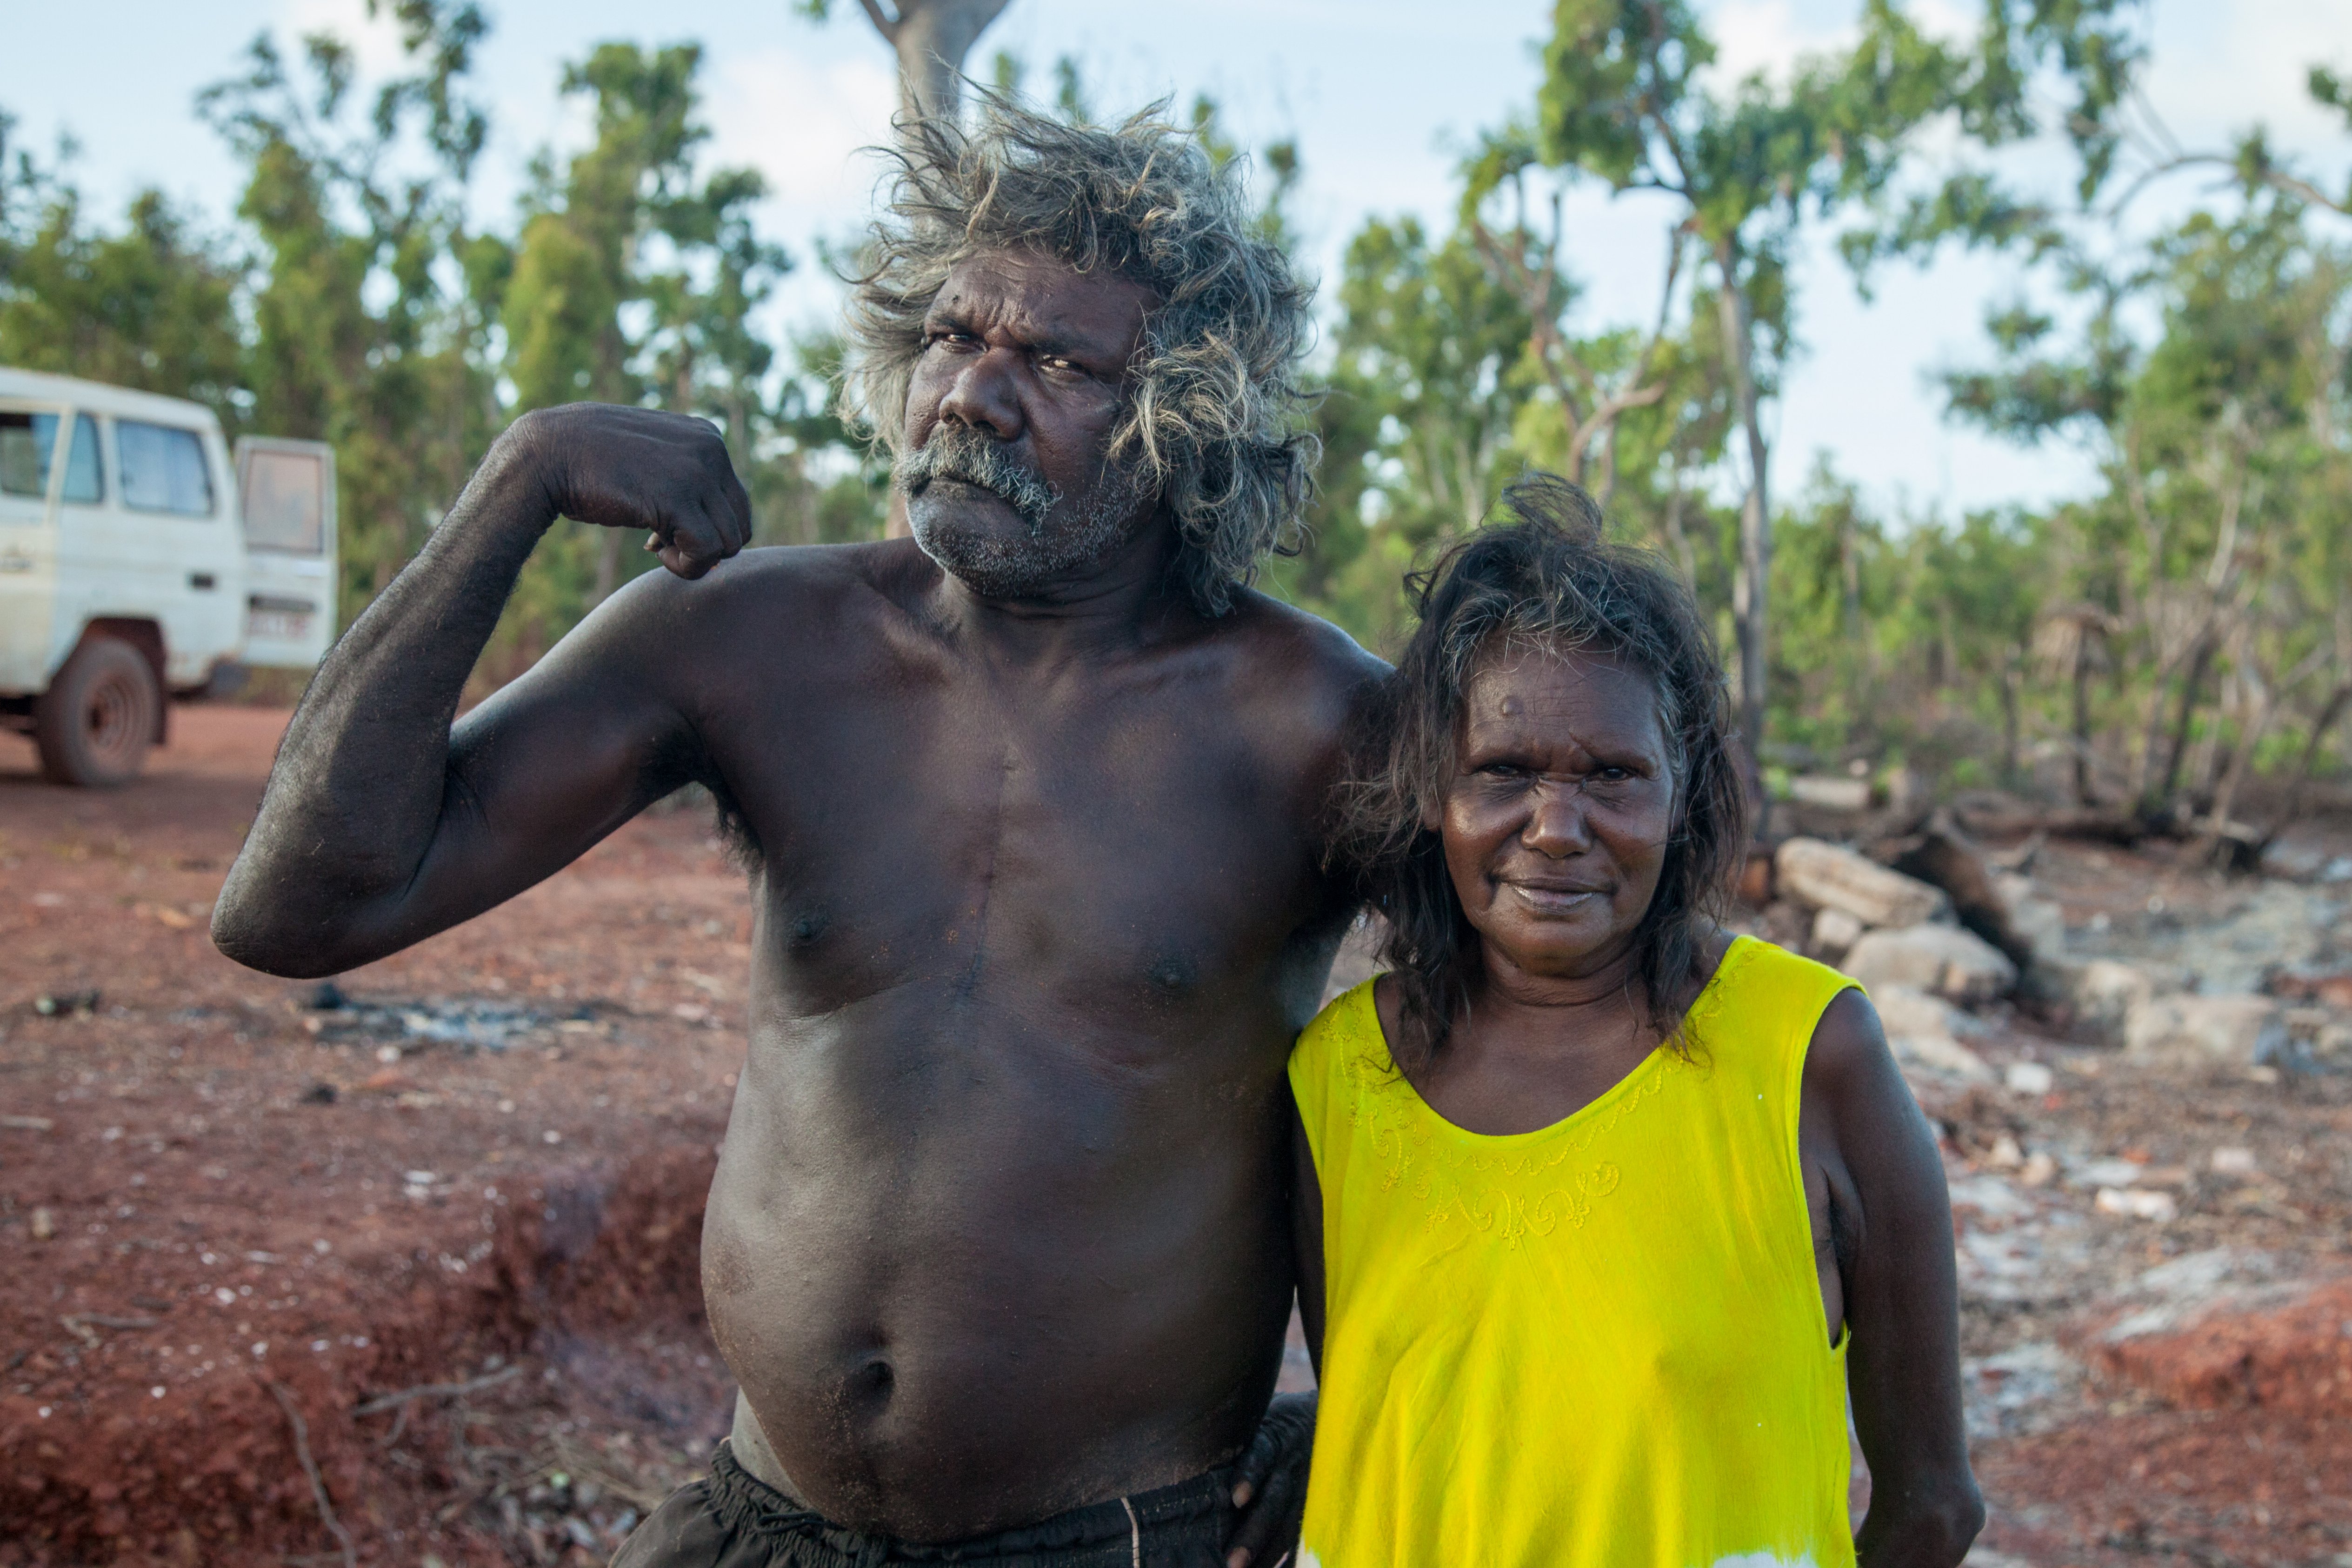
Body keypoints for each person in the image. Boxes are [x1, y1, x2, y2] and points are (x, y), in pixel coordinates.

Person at [212, 98, 1376, 1568]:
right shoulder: (753, 639)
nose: (973, 396)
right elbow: (297, 910)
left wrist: (1359, 1398)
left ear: (1182, 420)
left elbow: (1516, 1039)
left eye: (1061, 362)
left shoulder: (1310, 721)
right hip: (759, 1519)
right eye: (955, 338)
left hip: (1115, 1536)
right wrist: (515, 485)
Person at [1286, 476, 1983, 1567]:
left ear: (1681, 790)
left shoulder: (1810, 1053)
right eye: (1504, 772)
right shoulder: (1340, 1079)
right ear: (1434, 789)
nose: (1557, 829)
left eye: (1613, 775)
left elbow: (1933, 1506)